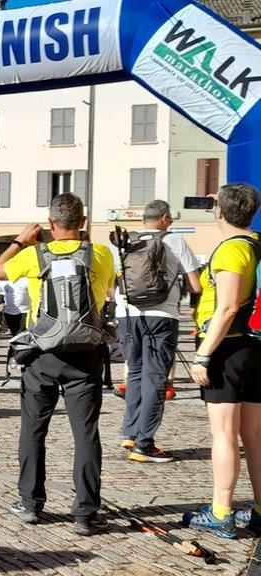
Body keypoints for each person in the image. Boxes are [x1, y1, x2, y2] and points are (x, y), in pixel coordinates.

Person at [0, 193, 116, 537]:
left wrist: (20, 241)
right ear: (83, 222)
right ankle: (86, 512)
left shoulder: (35, 255)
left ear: (50, 224)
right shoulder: (100, 254)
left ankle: (31, 504)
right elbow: (107, 290)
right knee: (86, 433)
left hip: (43, 354)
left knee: (34, 430)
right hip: (85, 355)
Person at [183, 184, 261, 538]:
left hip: (228, 349)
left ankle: (221, 510)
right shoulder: (257, 242)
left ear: (221, 213)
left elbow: (228, 306)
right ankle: (259, 508)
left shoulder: (231, 250)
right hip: (254, 345)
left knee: (224, 434)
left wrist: (203, 354)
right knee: (255, 434)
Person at [110, 200, 202, 464]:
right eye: (169, 220)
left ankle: (130, 432)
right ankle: (144, 443)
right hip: (161, 315)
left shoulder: (128, 241)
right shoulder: (174, 241)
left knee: (136, 372)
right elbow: (195, 286)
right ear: (163, 218)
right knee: (155, 377)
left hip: (127, 315)